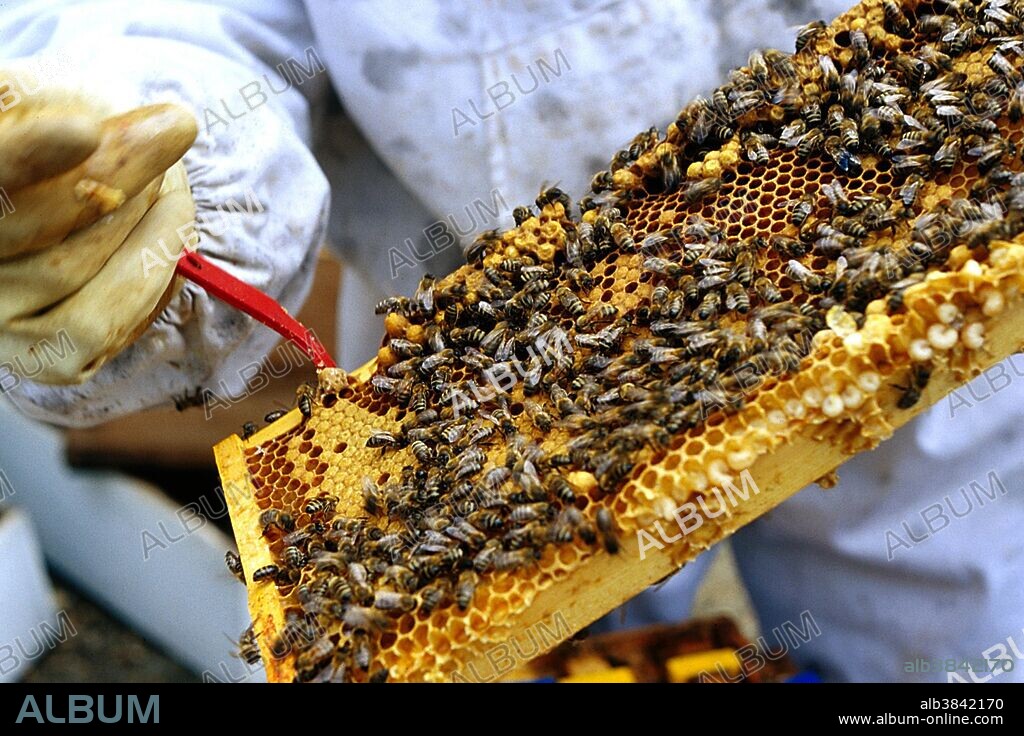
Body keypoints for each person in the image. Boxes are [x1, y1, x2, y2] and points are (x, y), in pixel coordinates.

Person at [1, 0, 1021, 682]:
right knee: (512, 636)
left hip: (914, 280)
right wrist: (129, 156)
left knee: (953, 664)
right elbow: (164, 22)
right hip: (479, 376)